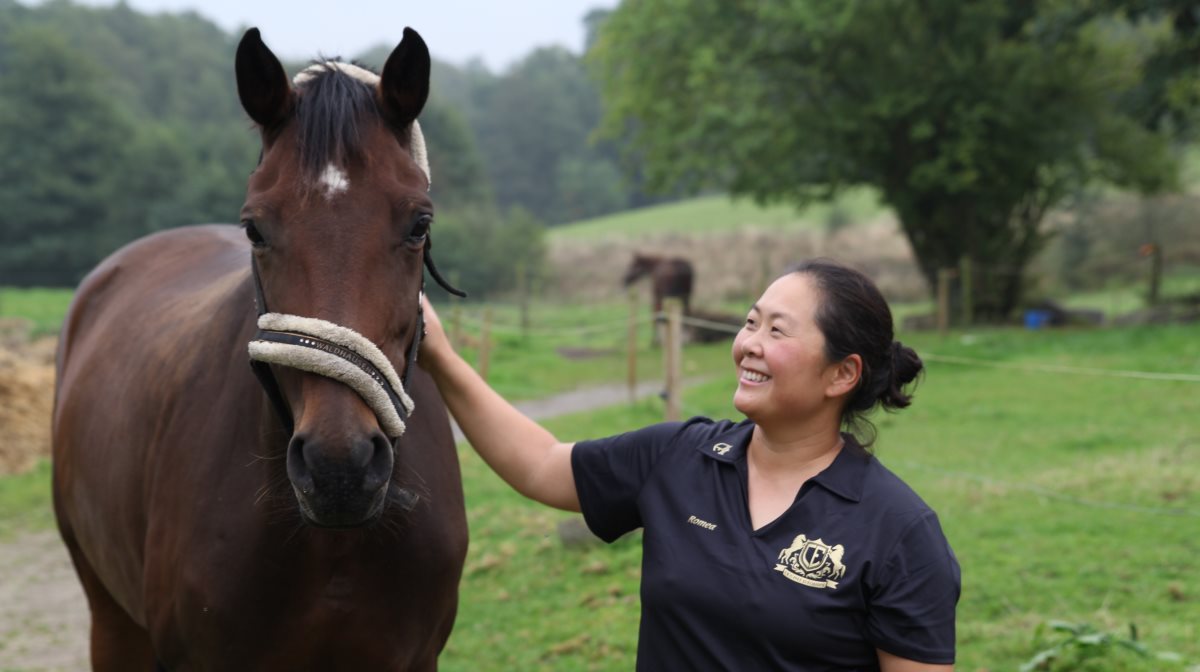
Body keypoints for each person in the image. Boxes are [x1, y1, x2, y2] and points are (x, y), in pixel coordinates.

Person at [419, 258, 960, 671]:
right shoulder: (679, 458)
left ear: (842, 375)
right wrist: (441, 355)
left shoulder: (899, 533)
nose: (749, 344)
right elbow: (541, 464)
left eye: (777, 331)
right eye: (751, 323)